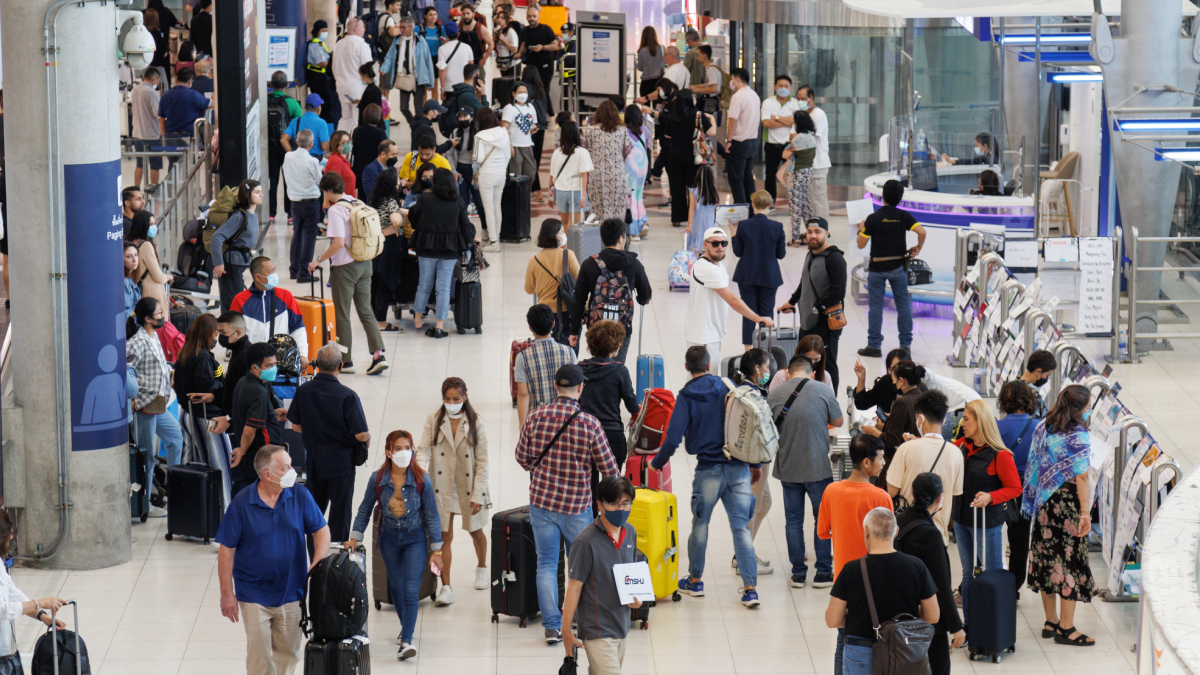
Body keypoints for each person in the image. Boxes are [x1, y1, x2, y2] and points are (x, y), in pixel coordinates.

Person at [515, 363, 619, 643]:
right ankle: (576, 622)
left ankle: (551, 626)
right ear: (580, 388)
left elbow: (521, 457)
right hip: (576, 508)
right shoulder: (589, 423)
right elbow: (610, 470)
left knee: (546, 563)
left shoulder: (536, 416)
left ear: (554, 386)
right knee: (580, 566)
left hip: (541, 503)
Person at [651, 346, 762, 608]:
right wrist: (755, 463)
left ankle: (696, 580)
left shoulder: (686, 395)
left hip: (707, 470)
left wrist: (657, 463)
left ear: (687, 367)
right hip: (738, 467)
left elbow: (672, 438)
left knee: (700, 524)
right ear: (709, 364)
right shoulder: (728, 388)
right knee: (741, 528)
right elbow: (748, 425)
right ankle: (750, 589)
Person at [217, 445, 331, 675]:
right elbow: (226, 550)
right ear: (268, 474)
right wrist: (227, 593)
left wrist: (318, 560)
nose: (293, 471)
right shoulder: (241, 504)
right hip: (253, 593)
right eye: (286, 467)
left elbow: (321, 530)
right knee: (260, 660)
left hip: (292, 591)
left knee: (289, 654)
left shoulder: (299, 494)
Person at [346, 430, 441, 660]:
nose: (403, 452)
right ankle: (405, 627)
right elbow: (365, 510)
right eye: (398, 448)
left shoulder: (421, 479)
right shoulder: (378, 479)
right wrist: (354, 537)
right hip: (388, 539)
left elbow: (432, 516)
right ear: (388, 452)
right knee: (397, 587)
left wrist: (436, 550)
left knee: (410, 589)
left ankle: (406, 640)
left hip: (415, 538)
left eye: (407, 447)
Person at [1022, 384, 1097, 647]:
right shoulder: (1079, 436)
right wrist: (1085, 513)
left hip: (1044, 502)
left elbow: (1035, 464)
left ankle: (1050, 620)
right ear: (1077, 410)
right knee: (1070, 563)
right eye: (1087, 409)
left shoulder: (1044, 427)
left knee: (1045, 557)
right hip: (1068, 505)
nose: (1088, 414)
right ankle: (1066, 628)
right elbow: (1083, 477)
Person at [825, 507, 940, 675]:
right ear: (896, 532)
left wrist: (856, 616)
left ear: (866, 531)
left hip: (860, 650)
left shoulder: (851, 569)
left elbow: (832, 620)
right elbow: (933, 616)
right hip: (902, 651)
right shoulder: (916, 566)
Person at [816, 434, 893, 673]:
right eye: (881, 458)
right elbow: (890, 539)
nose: (884, 462)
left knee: (843, 638)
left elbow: (822, 532)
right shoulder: (880, 497)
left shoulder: (831, 491)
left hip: (843, 578)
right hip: (875, 577)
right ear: (867, 463)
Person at [769, 354, 843, 588]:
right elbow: (838, 421)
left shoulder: (775, 394)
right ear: (811, 373)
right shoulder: (822, 389)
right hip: (818, 468)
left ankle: (798, 574)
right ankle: (823, 572)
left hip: (788, 467)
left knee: (793, 521)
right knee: (822, 519)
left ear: (788, 374)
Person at [417, 377, 491, 604]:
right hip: (442, 487)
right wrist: (419, 471)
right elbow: (423, 449)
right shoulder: (434, 419)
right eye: (447, 399)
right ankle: (445, 586)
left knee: (475, 530)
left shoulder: (476, 421)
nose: (451, 403)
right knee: (443, 537)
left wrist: (478, 495)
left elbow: (483, 462)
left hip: (468, 487)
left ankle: (481, 567)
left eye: (456, 399)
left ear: (465, 397)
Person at [286, 343, 371, 543]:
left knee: (314, 511)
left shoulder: (304, 391)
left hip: (314, 461)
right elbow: (360, 434)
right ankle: (335, 558)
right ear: (340, 366)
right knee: (340, 513)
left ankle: (313, 553)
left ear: (316, 364)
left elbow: (296, 427)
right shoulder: (347, 396)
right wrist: (367, 438)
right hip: (341, 464)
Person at [560, 476, 643, 674]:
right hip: (597, 630)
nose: (620, 509)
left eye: (625, 503)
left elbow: (628, 575)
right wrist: (565, 633)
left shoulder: (629, 532)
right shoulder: (585, 542)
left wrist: (636, 599)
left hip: (621, 625)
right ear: (599, 504)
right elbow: (574, 587)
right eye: (613, 504)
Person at [309, 172, 389, 375]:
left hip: (345, 267)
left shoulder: (336, 210)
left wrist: (318, 260)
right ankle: (378, 355)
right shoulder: (357, 202)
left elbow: (338, 243)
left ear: (328, 191)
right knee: (365, 310)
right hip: (365, 263)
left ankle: (346, 361)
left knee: (342, 314)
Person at [952, 399, 1020, 617]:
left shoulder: (1001, 455)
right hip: (961, 520)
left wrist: (991, 496)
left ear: (980, 421)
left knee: (992, 573)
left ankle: (995, 624)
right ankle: (972, 625)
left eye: (966, 418)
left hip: (986, 524)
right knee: (968, 573)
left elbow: (1014, 488)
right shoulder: (961, 446)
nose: (962, 423)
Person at [894, 474, 966, 675]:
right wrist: (956, 626)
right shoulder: (931, 535)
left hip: (901, 614)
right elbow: (941, 585)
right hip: (929, 619)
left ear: (913, 494)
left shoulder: (900, 520)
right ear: (939, 498)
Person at [126, 297, 184, 515]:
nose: (163, 316)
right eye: (159, 313)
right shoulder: (137, 342)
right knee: (147, 456)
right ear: (148, 319)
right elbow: (126, 371)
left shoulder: (155, 337)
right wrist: (132, 398)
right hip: (144, 406)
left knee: (176, 439)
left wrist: (169, 371)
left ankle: (174, 490)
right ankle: (144, 503)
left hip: (158, 403)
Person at [684, 226, 774, 366]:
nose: (720, 247)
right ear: (705, 244)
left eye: (723, 243)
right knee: (705, 380)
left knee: (702, 380)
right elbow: (731, 299)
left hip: (709, 332)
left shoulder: (717, 265)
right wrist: (757, 318)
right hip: (703, 336)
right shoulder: (707, 269)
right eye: (715, 243)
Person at [856, 180, 926, 357]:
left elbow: (860, 243)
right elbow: (922, 232)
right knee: (903, 306)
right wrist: (918, 247)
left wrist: (861, 229)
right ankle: (905, 345)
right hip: (898, 267)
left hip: (877, 268)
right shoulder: (903, 216)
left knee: (876, 306)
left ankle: (874, 345)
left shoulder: (873, 218)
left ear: (883, 196)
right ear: (900, 198)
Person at [568, 219, 652, 364]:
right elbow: (646, 296)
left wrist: (574, 331)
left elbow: (578, 300)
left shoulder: (590, 264)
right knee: (616, 368)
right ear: (621, 238)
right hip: (621, 328)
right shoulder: (634, 264)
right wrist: (640, 299)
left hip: (596, 328)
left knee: (598, 365)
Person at [885, 390, 963, 543]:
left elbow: (892, 491)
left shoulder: (906, 449)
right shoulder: (956, 453)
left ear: (919, 418)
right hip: (938, 535)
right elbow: (954, 496)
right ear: (944, 419)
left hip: (907, 532)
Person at [408, 168, 477, 338]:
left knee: (424, 284)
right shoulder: (458, 202)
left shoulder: (425, 198)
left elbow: (414, 220)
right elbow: (466, 226)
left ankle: (418, 319)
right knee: (444, 288)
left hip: (427, 247)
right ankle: (440, 325)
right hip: (450, 249)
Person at [0, 509, 69, 673]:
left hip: (5, 652)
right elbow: (3, 610)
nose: (11, 538)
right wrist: (41, 602)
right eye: (8, 533)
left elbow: (13, 594)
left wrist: (41, 615)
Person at [579, 320, 638, 507]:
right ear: (616, 345)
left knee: (588, 489)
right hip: (612, 437)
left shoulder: (579, 370)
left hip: (584, 435)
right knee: (611, 490)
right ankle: (609, 528)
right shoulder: (620, 371)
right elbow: (632, 407)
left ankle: (589, 527)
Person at [730, 349, 777, 577]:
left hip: (754, 461)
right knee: (753, 508)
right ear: (757, 369)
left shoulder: (743, 391)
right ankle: (744, 559)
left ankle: (743, 551)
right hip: (755, 462)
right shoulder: (752, 396)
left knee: (765, 503)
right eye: (766, 367)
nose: (769, 371)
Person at [996, 380, 1039, 593]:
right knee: (1020, 541)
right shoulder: (1039, 426)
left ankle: (992, 582)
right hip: (1027, 489)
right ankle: (1013, 587)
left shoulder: (997, 426)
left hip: (1000, 486)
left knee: (993, 533)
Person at [229, 343, 288, 498]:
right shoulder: (258, 392)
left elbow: (246, 413)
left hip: (253, 454)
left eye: (275, 364)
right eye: (269, 365)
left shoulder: (243, 382)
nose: (273, 369)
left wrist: (271, 414)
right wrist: (241, 451)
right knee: (264, 496)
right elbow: (249, 431)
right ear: (255, 368)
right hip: (263, 454)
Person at [229, 256, 309, 368]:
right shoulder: (240, 300)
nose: (275, 274)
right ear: (258, 277)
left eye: (275, 270)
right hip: (250, 363)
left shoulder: (286, 297)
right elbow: (232, 334)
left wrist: (302, 353)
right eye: (271, 271)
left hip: (280, 362)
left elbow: (298, 328)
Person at [732, 190, 786, 350]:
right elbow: (781, 254)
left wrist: (733, 234)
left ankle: (748, 350)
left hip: (747, 274)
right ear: (769, 206)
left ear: (753, 205)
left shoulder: (743, 225)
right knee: (766, 312)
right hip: (770, 275)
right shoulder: (777, 227)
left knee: (748, 312)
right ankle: (765, 349)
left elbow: (738, 252)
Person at [861, 360, 927, 486]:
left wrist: (874, 432)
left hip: (897, 466)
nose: (894, 384)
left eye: (894, 381)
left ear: (902, 381)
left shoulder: (902, 403)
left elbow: (892, 440)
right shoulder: (923, 397)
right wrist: (891, 421)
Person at [514, 304, 579, 427]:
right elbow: (576, 388)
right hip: (566, 419)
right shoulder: (569, 352)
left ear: (530, 327)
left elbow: (523, 394)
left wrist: (522, 426)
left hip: (538, 422)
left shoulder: (523, 358)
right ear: (553, 324)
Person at [210, 180, 263, 314]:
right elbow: (217, 237)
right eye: (257, 192)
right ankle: (227, 333)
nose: (261, 195)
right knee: (231, 306)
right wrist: (219, 263)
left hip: (238, 264)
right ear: (247, 195)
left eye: (261, 192)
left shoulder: (253, 214)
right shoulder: (240, 216)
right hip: (230, 266)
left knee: (237, 302)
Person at [173, 312, 229, 441]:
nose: (217, 337)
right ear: (208, 332)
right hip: (205, 416)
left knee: (191, 459)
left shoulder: (186, 351)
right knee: (219, 460)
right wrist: (225, 382)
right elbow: (207, 388)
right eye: (216, 332)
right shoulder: (201, 356)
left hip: (188, 412)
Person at [661, 92, 713, 227]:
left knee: (676, 187)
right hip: (693, 156)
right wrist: (711, 118)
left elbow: (667, 135)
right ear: (690, 100)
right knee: (693, 187)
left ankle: (677, 218)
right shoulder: (698, 115)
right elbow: (711, 132)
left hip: (675, 154)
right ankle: (693, 216)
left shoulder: (672, 115)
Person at [525, 219, 581, 344]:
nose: (564, 234)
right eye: (561, 232)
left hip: (545, 315)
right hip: (567, 312)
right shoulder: (569, 255)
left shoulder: (534, 260)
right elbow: (581, 283)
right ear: (554, 235)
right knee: (568, 354)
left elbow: (529, 289)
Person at [368, 167, 407, 333]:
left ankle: (374, 319)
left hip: (376, 244)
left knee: (376, 282)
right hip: (389, 246)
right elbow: (396, 219)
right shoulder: (391, 201)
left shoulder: (376, 199)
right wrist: (395, 226)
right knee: (385, 282)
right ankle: (382, 323)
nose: (400, 184)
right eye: (398, 181)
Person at [581, 100, 632, 223]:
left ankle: (597, 239)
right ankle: (616, 238)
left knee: (596, 210)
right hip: (617, 175)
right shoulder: (622, 131)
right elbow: (627, 150)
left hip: (595, 176)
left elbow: (583, 152)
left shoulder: (589, 131)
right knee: (617, 210)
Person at [283, 129, 324, 282]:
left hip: (295, 202)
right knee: (310, 237)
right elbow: (320, 181)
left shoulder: (288, 156)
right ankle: (304, 273)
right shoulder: (312, 161)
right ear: (312, 144)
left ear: (296, 141)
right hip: (310, 203)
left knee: (297, 234)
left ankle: (294, 269)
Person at [380, 15, 435, 124]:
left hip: (418, 79)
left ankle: (419, 129)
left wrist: (430, 82)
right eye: (400, 27)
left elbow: (428, 61)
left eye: (404, 27)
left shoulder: (420, 41)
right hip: (403, 78)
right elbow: (390, 57)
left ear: (411, 28)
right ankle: (414, 124)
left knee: (419, 109)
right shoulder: (397, 41)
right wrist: (384, 68)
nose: (401, 30)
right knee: (403, 108)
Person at [267, 71, 302, 223]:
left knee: (272, 179)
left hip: (268, 145)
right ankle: (291, 214)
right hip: (287, 146)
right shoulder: (293, 103)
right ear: (287, 84)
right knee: (289, 179)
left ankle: (270, 213)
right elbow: (299, 127)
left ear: (270, 84)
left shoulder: (264, 100)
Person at [722, 68, 760, 205]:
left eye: (732, 79)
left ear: (737, 79)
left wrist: (729, 141)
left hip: (739, 143)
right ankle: (752, 210)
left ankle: (741, 211)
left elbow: (732, 120)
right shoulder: (754, 95)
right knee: (748, 178)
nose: (731, 83)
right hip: (752, 142)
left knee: (736, 179)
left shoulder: (737, 96)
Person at [474, 108, 509, 251]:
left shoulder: (479, 136)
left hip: (487, 174)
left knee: (489, 209)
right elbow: (507, 156)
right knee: (497, 206)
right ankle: (497, 240)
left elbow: (479, 158)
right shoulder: (503, 132)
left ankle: (493, 242)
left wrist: (474, 157)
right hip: (501, 173)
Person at [761, 75, 800, 202]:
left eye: (786, 86)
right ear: (775, 87)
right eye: (780, 86)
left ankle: (793, 201)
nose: (783, 88)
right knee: (770, 175)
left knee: (790, 175)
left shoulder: (795, 103)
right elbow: (766, 123)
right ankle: (770, 201)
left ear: (791, 88)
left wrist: (776, 118)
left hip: (789, 145)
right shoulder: (768, 102)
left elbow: (796, 121)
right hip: (772, 145)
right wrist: (788, 121)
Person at [781, 111, 818, 245]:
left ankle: (796, 237)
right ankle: (811, 235)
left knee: (795, 207)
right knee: (807, 206)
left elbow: (785, 155)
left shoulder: (797, 138)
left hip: (797, 175)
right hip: (808, 174)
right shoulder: (811, 137)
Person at [333, 17, 375, 132]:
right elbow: (368, 70)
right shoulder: (362, 45)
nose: (364, 30)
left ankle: (339, 146)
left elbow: (334, 68)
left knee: (345, 118)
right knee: (358, 119)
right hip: (358, 90)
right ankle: (355, 148)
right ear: (356, 29)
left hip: (342, 87)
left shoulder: (338, 45)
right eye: (363, 28)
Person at [548, 122, 593, 228]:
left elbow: (551, 177)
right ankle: (572, 245)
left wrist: (551, 197)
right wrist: (583, 196)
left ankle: (563, 245)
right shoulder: (582, 152)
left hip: (560, 192)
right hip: (576, 192)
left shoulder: (557, 152)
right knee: (574, 225)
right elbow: (583, 176)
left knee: (564, 223)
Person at [127, 210, 173, 311]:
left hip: (139, 291)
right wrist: (168, 277)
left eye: (154, 223)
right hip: (151, 293)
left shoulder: (130, 242)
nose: (154, 227)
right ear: (142, 226)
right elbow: (158, 276)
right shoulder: (145, 245)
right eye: (151, 224)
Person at [797, 85, 831, 220]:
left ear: (811, 98)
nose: (800, 101)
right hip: (806, 164)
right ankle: (813, 230)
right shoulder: (803, 115)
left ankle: (823, 230)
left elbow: (808, 139)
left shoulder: (819, 115)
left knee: (819, 200)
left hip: (818, 165)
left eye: (803, 98)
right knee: (809, 202)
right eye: (798, 98)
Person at [157, 67, 212, 146]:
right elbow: (210, 104)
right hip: (187, 135)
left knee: (173, 157)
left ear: (176, 78)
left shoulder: (165, 95)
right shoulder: (193, 95)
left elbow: (161, 118)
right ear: (190, 81)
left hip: (170, 135)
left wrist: (164, 137)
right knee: (189, 157)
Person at [517, 7, 561, 100]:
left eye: (534, 16)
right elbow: (524, 43)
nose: (531, 18)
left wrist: (543, 47)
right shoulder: (526, 30)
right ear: (526, 17)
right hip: (531, 66)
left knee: (543, 90)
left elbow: (556, 45)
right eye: (529, 16)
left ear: (538, 17)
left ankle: (546, 112)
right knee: (530, 89)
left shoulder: (545, 29)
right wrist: (519, 53)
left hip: (545, 66)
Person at [502, 82, 540, 190]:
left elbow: (533, 124)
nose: (523, 94)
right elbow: (504, 129)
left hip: (528, 145)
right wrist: (508, 145)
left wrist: (534, 128)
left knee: (531, 174)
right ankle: (516, 200)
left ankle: (525, 196)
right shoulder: (509, 108)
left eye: (525, 92)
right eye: (520, 92)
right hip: (514, 145)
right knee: (515, 175)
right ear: (514, 94)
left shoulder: (531, 107)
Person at [131, 67, 163, 188]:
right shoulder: (150, 92)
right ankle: (154, 190)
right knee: (155, 164)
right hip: (151, 134)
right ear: (154, 79)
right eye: (158, 80)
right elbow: (157, 113)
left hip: (137, 133)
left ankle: (136, 188)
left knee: (140, 164)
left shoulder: (135, 89)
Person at [767, 335, 834, 393]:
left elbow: (831, 403)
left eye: (816, 359)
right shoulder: (781, 376)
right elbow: (772, 401)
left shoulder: (825, 376)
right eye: (809, 359)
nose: (812, 363)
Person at [852, 348, 909, 415]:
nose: (894, 373)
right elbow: (862, 404)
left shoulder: (915, 390)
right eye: (891, 369)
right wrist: (861, 378)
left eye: (897, 369)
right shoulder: (886, 382)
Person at [624, 105, 652, 240]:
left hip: (630, 164)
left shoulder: (623, 131)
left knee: (631, 196)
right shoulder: (644, 130)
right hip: (642, 163)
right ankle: (642, 222)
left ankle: (634, 231)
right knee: (638, 196)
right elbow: (646, 147)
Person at [218, 311, 251, 418]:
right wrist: (214, 395)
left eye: (223, 333)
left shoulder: (245, 357)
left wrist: (228, 419)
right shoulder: (237, 351)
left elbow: (245, 398)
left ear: (238, 333)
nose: (220, 337)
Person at [281, 93, 332, 159]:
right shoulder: (321, 123)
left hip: (299, 159)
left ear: (305, 107)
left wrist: (292, 154)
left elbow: (283, 140)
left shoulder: (295, 121)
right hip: (315, 159)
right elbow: (324, 147)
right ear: (319, 108)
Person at [353, 107, 391, 190]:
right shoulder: (380, 133)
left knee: (362, 197)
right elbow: (386, 152)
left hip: (360, 169)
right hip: (375, 170)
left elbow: (354, 151)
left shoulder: (357, 131)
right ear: (378, 117)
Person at [306, 21, 336, 126]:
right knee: (325, 103)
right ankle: (326, 125)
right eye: (323, 31)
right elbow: (322, 63)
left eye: (326, 30)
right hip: (318, 78)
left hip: (321, 77)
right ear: (317, 31)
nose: (325, 33)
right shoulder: (316, 44)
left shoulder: (319, 43)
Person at [685, 164, 718, 253]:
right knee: (709, 245)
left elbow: (691, 208)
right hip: (709, 222)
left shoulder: (693, 191)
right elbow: (714, 208)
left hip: (697, 222)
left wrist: (689, 224)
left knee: (695, 247)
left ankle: (696, 265)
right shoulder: (713, 191)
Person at [416, 8, 448, 99]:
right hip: (423, 60)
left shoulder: (440, 29)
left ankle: (435, 109)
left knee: (434, 85)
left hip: (435, 60)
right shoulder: (419, 28)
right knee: (424, 86)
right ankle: (425, 110)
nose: (433, 17)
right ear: (425, 16)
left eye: (435, 14)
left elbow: (446, 43)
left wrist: (445, 42)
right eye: (430, 15)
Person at [1017, 349, 1057, 419]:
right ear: (1038, 371)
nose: (1046, 378)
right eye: (1047, 375)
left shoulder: (1013, 385)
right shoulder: (1032, 393)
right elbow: (1039, 421)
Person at [324, 130, 358, 198]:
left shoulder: (344, 161)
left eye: (349, 141)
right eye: (344, 142)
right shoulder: (336, 161)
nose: (348, 144)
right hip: (340, 205)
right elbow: (330, 186)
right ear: (336, 144)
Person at [437, 23, 472, 90]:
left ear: (446, 35)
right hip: (465, 86)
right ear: (458, 34)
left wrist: (442, 88)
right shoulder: (467, 48)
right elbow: (471, 67)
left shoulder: (442, 49)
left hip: (449, 87)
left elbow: (442, 70)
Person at [636, 27, 664, 97]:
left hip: (646, 82)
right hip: (659, 81)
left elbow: (640, 68)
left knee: (645, 106)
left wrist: (635, 64)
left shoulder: (641, 51)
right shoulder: (662, 48)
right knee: (658, 106)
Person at [354, 63, 384, 128]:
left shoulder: (370, 91)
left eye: (361, 75)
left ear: (365, 76)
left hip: (371, 125)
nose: (361, 78)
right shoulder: (374, 89)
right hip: (375, 124)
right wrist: (361, 102)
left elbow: (371, 108)